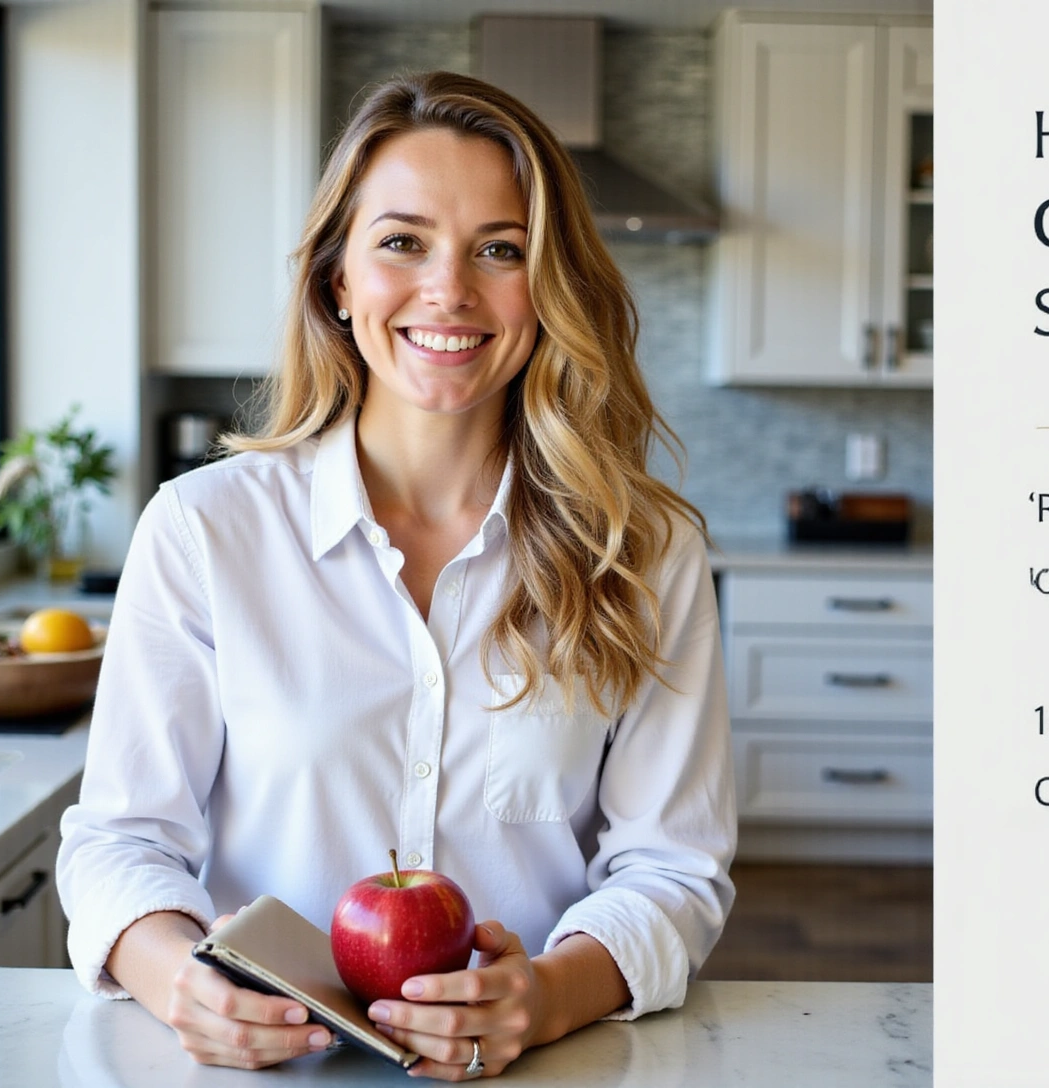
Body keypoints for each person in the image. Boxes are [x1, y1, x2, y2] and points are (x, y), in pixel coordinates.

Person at [55, 71, 735, 1080]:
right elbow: (118, 840)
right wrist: (176, 980)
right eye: (402, 241)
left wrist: (544, 996)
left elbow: (673, 868)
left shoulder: (645, 551)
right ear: (339, 278)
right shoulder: (206, 532)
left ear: (547, 287)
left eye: (499, 249)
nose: (449, 290)